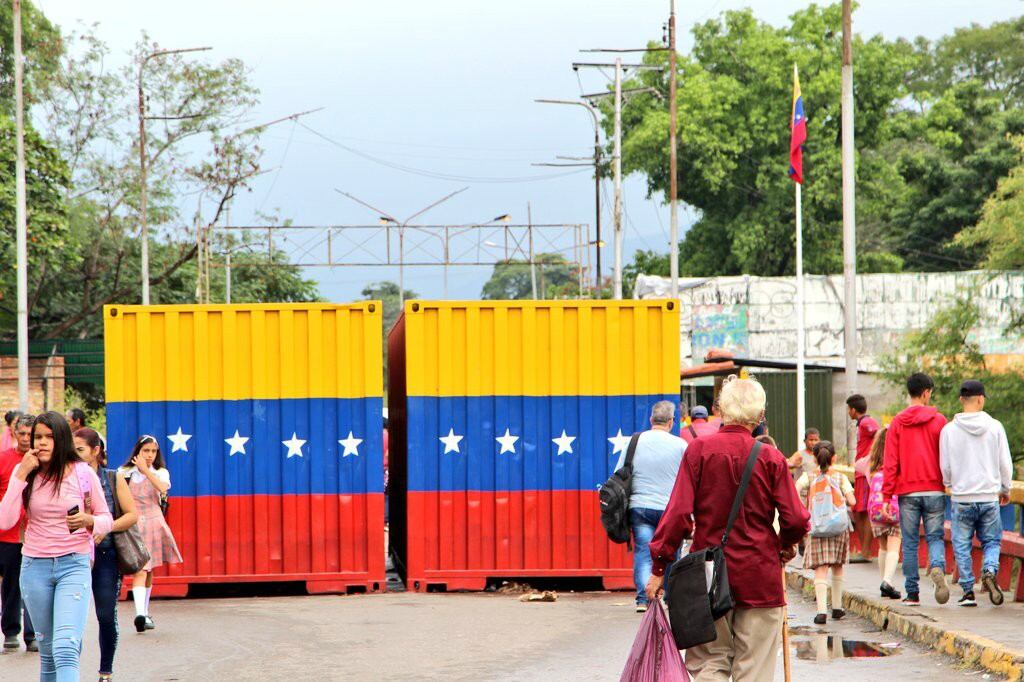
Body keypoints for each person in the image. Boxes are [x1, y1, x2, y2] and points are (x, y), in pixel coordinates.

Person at [647, 375, 809, 681]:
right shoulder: (771, 458)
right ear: (760, 416)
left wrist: (658, 568)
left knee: (710, 664)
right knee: (754, 668)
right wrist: (785, 545)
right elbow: (797, 519)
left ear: (719, 409)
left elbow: (678, 514)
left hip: (707, 577)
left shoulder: (698, 452)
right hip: (760, 575)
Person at [0, 412, 112, 682]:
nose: (42, 442)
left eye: (50, 437)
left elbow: (107, 519)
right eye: (38, 437)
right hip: (34, 566)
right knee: (48, 652)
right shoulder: (25, 472)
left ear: (61, 439)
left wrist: (89, 520)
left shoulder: (83, 473)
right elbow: (5, 520)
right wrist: (21, 475)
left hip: (73, 564)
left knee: (65, 647)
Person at [939, 380, 1013, 607]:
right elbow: (1004, 462)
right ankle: (990, 571)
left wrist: (950, 483)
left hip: (962, 498)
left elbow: (946, 466)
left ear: (961, 400)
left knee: (961, 544)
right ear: (981, 399)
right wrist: (1005, 487)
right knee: (991, 541)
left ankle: (968, 591)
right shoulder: (995, 427)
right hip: (989, 496)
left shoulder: (949, 430)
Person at [75, 428, 139, 681]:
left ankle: (105, 672)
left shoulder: (113, 478)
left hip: (105, 555)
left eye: (80, 450)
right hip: (74, 554)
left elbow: (132, 515)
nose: (75, 456)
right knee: (72, 617)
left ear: (95, 450)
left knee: (105, 614)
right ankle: (69, 671)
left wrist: (104, 526)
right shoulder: (65, 477)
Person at [613, 400, 686, 613]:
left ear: (651, 420)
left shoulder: (634, 442)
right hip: (670, 510)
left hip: (640, 507)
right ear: (672, 421)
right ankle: (670, 598)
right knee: (672, 552)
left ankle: (644, 600)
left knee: (644, 552)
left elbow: (619, 473)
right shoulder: (681, 445)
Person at [883, 372, 949, 606]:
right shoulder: (939, 421)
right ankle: (938, 567)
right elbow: (947, 457)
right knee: (935, 537)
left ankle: (912, 594)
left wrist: (886, 495)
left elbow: (890, 462)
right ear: (926, 392)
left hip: (907, 492)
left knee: (910, 542)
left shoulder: (898, 423)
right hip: (934, 489)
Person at [119, 435, 182, 633]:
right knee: (141, 569)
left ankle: (144, 612)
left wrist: (146, 471)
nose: (149, 455)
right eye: (146, 451)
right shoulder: (124, 472)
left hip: (154, 523)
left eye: (153, 451)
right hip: (135, 524)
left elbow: (163, 488)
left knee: (149, 569)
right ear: (137, 451)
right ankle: (140, 613)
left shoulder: (161, 472)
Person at [797, 441, 856, 624]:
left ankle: (821, 611)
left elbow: (794, 491)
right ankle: (837, 608)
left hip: (817, 527)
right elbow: (852, 501)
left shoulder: (808, 477)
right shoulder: (840, 478)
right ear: (834, 458)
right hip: (838, 527)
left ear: (814, 458)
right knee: (837, 566)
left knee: (820, 569)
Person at [0, 413, 36, 651]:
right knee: (12, 584)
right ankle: (11, 631)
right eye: (21, 433)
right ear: (13, 433)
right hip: (9, 533)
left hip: (37, 531)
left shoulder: (44, 459)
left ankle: (33, 635)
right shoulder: (3, 459)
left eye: (29, 434)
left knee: (35, 584)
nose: (25, 438)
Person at [867, 428, 902, 600]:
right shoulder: (898, 461)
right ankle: (887, 581)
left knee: (883, 547)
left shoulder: (872, 465)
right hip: (894, 509)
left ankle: (883, 582)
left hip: (876, 511)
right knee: (894, 546)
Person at [846, 395, 879, 563]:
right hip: (860, 473)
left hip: (866, 473)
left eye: (848, 409)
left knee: (864, 511)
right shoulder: (861, 424)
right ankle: (863, 550)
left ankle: (865, 552)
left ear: (853, 409)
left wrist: (872, 457)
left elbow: (879, 433)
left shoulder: (867, 422)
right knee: (858, 511)